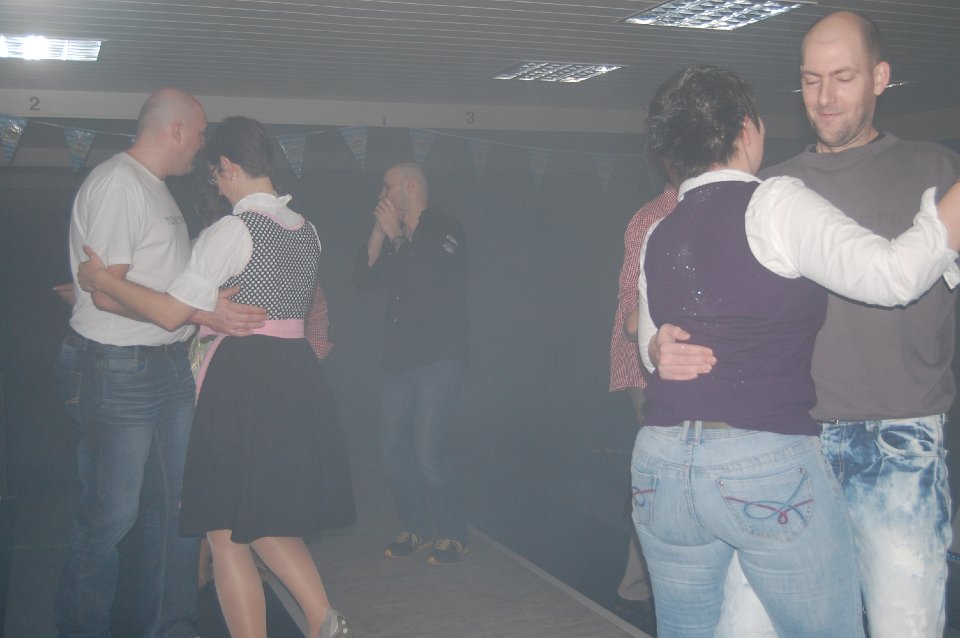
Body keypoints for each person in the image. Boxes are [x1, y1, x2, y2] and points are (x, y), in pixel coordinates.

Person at [654, 12, 960, 637]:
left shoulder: (936, 172)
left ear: (880, 77)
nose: (824, 97)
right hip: (784, 447)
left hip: (897, 443)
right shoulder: (768, 188)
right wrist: (658, 341)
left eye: (843, 78)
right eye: (811, 80)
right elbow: (701, 299)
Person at [76, 115, 355, 638]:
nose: (216, 186)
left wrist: (98, 280)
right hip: (294, 374)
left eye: (215, 175)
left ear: (227, 166)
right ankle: (324, 619)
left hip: (242, 379)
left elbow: (170, 313)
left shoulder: (232, 230)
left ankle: (307, 623)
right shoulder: (307, 229)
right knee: (262, 516)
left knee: (226, 527)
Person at [54, 88, 267, 638]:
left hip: (165, 364)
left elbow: (157, 286)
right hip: (118, 366)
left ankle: (171, 628)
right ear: (176, 130)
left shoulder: (155, 189)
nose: (202, 144)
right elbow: (106, 294)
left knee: (178, 508)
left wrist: (203, 304)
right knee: (111, 516)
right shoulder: (119, 185)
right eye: (199, 133)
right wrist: (197, 311)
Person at [353, 161, 470, 565]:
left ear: (408, 185)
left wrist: (396, 236)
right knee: (392, 452)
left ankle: (453, 532)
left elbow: (428, 277)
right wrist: (378, 231)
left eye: (386, 186)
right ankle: (416, 526)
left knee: (428, 447)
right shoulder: (394, 236)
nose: (381, 194)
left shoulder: (447, 228)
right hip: (399, 360)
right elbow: (363, 279)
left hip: (439, 357)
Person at [608, 181, 677, 624]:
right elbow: (631, 316)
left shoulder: (726, 204)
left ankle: (638, 585)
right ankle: (638, 587)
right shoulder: (651, 216)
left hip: (684, 367)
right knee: (661, 480)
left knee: (670, 480)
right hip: (646, 367)